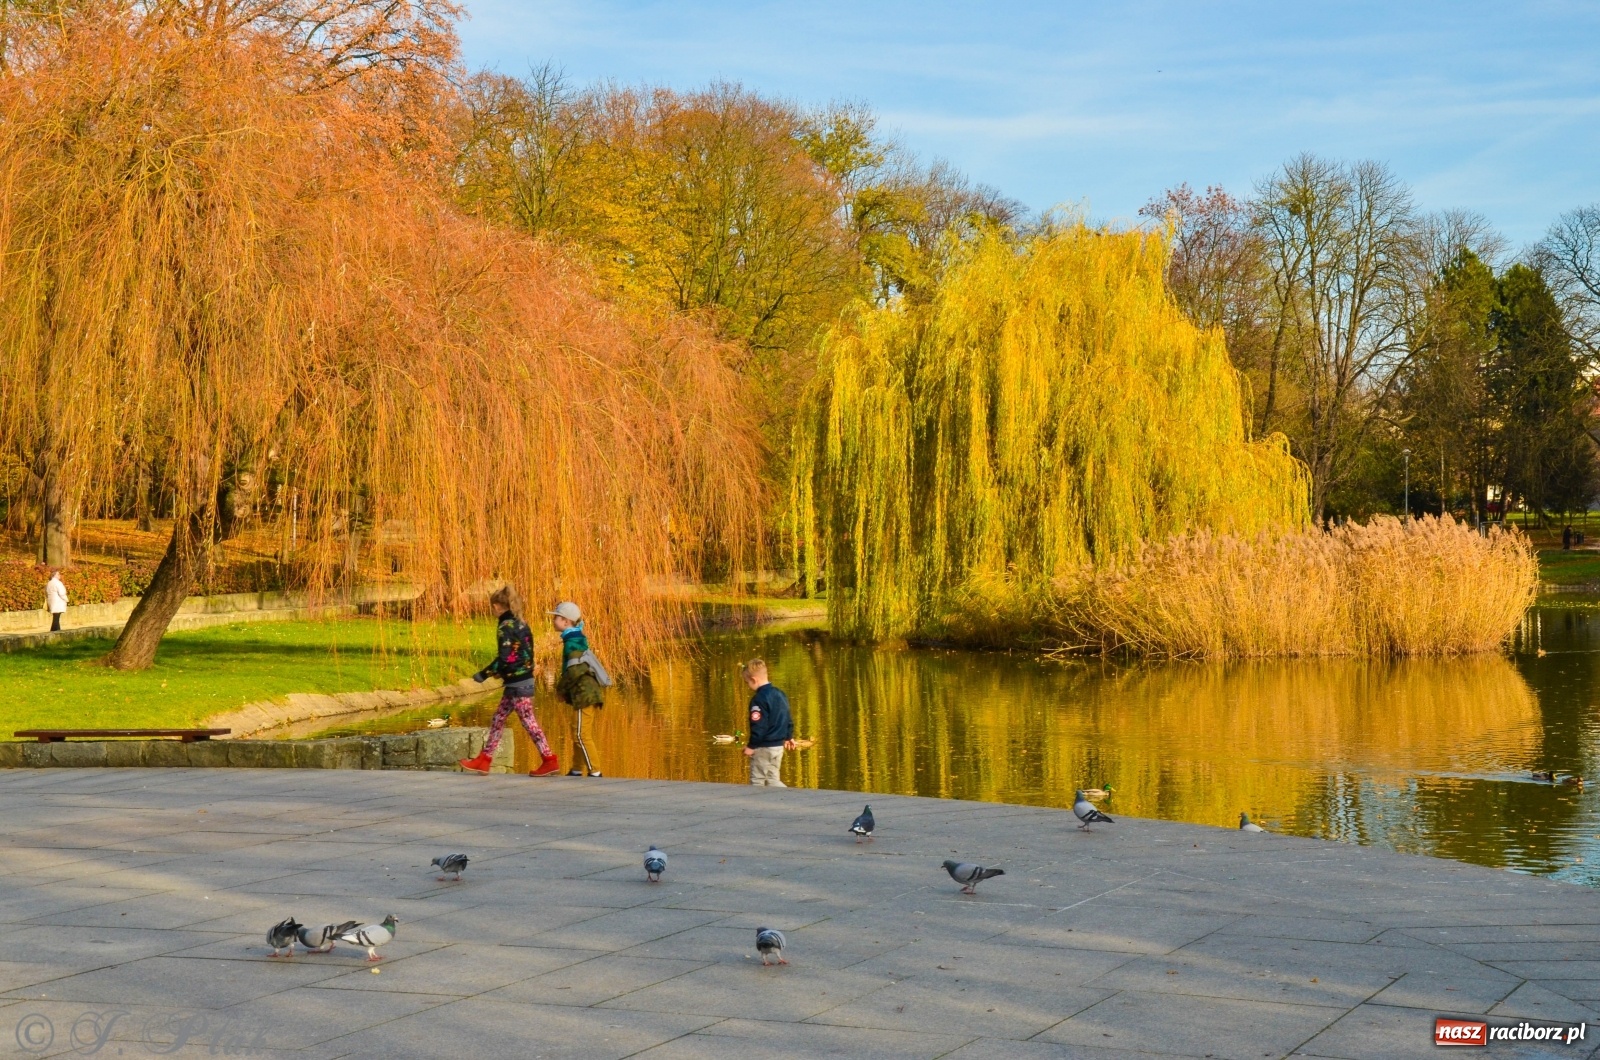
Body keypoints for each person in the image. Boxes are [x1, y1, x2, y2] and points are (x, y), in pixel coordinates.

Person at [457, 585, 561, 777]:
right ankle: (484, 760)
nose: (492, 610)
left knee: (529, 722)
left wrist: (485, 673)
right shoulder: (522, 623)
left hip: (518, 684)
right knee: (498, 718)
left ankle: (549, 759)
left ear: (497, 606)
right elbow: (525, 653)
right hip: (522, 679)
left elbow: (505, 657)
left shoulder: (505, 626)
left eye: (492, 607)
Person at [551, 601, 607, 777]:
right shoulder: (574, 638)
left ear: (566, 621)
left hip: (585, 695)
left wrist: (560, 690)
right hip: (582, 694)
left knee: (581, 734)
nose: (553, 621)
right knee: (577, 731)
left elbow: (574, 671)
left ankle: (595, 771)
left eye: (556, 618)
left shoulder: (573, 642)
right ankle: (576, 769)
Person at [742, 658, 793, 787]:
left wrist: (751, 746)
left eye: (747, 682)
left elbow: (759, 727)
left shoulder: (758, 699)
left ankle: (757, 806)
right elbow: (787, 716)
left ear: (754, 680)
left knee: (757, 780)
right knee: (772, 779)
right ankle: (789, 799)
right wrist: (788, 736)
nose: (748, 686)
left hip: (764, 747)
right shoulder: (780, 694)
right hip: (778, 746)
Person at [44, 569, 67, 633]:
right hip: (58, 602)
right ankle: (53, 631)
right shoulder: (58, 583)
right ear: (54, 575)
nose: (60, 575)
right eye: (58, 574)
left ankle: (57, 631)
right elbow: (62, 593)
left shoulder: (48, 583)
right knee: (56, 618)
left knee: (56, 617)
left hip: (51, 602)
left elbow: (45, 592)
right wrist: (66, 599)